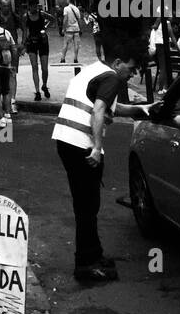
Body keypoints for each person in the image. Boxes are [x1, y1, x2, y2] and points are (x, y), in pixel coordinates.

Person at [51, 46, 152, 284]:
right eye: (131, 68)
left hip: (66, 142)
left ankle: (93, 255)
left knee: (86, 204)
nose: (132, 74)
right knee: (87, 206)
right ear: (118, 62)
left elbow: (107, 107)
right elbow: (98, 111)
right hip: (81, 146)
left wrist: (140, 109)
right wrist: (96, 148)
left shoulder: (93, 71)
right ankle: (86, 265)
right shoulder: (112, 77)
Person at [25, 4, 52, 101]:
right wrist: (24, 42)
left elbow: (52, 19)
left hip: (43, 41)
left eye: (35, 6)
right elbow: (25, 30)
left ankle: (44, 85)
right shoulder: (26, 16)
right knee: (34, 66)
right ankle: (37, 91)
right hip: (31, 42)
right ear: (29, 7)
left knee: (44, 68)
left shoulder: (42, 14)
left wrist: (45, 27)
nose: (34, 8)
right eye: (32, 6)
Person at [60, 0, 83, 65]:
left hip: (69, 30)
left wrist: (63, 28)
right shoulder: (76, 9)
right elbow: (79, 20)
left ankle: (63, 59)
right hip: (76, 29)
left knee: (65, 45)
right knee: (76, 45)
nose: (66, 0)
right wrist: (80, 29)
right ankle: (75, 59)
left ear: (69, 0)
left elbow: (65, 19)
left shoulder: (66, 8)